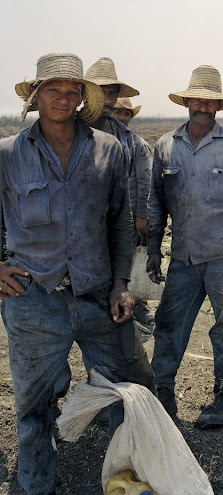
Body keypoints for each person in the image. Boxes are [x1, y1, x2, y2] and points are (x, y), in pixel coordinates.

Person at [0, 52, 155, 495]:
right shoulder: (8, 154)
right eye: (53, 90)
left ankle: (125, 481)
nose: (63, 99)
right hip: (32, 300)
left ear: (83, 99)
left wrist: (122, 284)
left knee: (128, 393)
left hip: (97, 294)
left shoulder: (109, 149)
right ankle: (36, 486)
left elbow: (120, 222)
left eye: (72, 92)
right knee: (33, 407)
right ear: (35, 95)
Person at [146, 65, 223, 428]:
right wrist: (154, 247)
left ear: (218, 106)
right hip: (183, 255)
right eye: (196, 99)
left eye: (209, 100)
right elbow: (156, 202)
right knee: (169, 323)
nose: (202, 105)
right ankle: (162, 391)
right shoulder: (165, 146)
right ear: (186, 101)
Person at [85, 59, 155, 337]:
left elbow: (144, 180)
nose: (108, 99)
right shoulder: (67, 133)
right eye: (101, 91)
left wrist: (141, 215)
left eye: (112, 93)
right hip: (79, 238)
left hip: (117, 226)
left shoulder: (130, 141)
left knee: (122, 276)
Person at [112, 97, 156, 339]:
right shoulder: (99, 141)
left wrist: (142, 216)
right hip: (108, 219)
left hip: (129, 219)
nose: (122, 117)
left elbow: (145, 182)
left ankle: (140, 308)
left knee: (132, 264)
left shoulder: (138, 145)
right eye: (118, 112)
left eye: (126, 113)